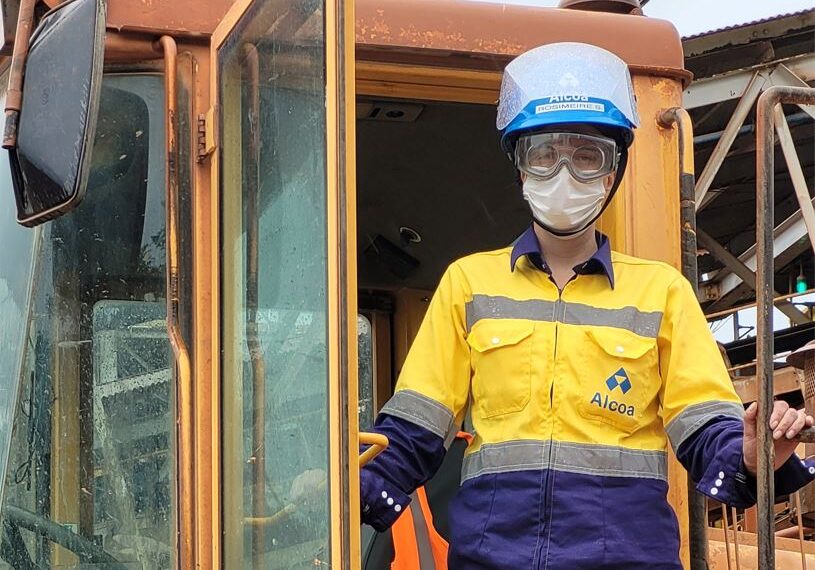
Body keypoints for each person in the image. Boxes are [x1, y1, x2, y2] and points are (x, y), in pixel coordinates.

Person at [359, 42, 815, 569]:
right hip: (493, 559)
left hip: (626, 559)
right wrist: (351, 487)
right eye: (543, 154)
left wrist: (751, 457)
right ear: (519, 165)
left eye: (587, 156)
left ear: (613, 168)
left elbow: (706, 426)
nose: (563, 174)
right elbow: (416, 426)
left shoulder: (661, 293)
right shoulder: (469, 284)